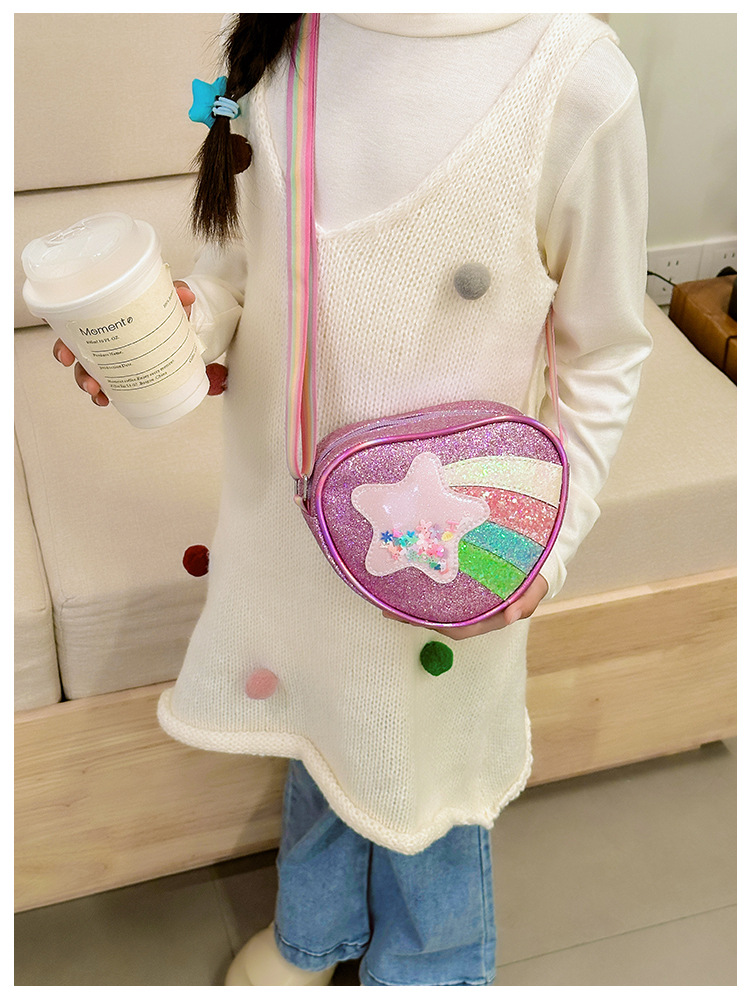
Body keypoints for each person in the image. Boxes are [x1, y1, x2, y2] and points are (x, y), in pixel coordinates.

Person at [53, 13, 652, 987]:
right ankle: (315, 929)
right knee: (323, 715)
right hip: (290, 511)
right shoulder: (277, 44)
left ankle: (433, 962)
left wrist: (551, 542)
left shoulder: (575, 82)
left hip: (455, 531)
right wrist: (168, 331)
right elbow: (239, 274)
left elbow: (606, 348)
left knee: (433, 751)